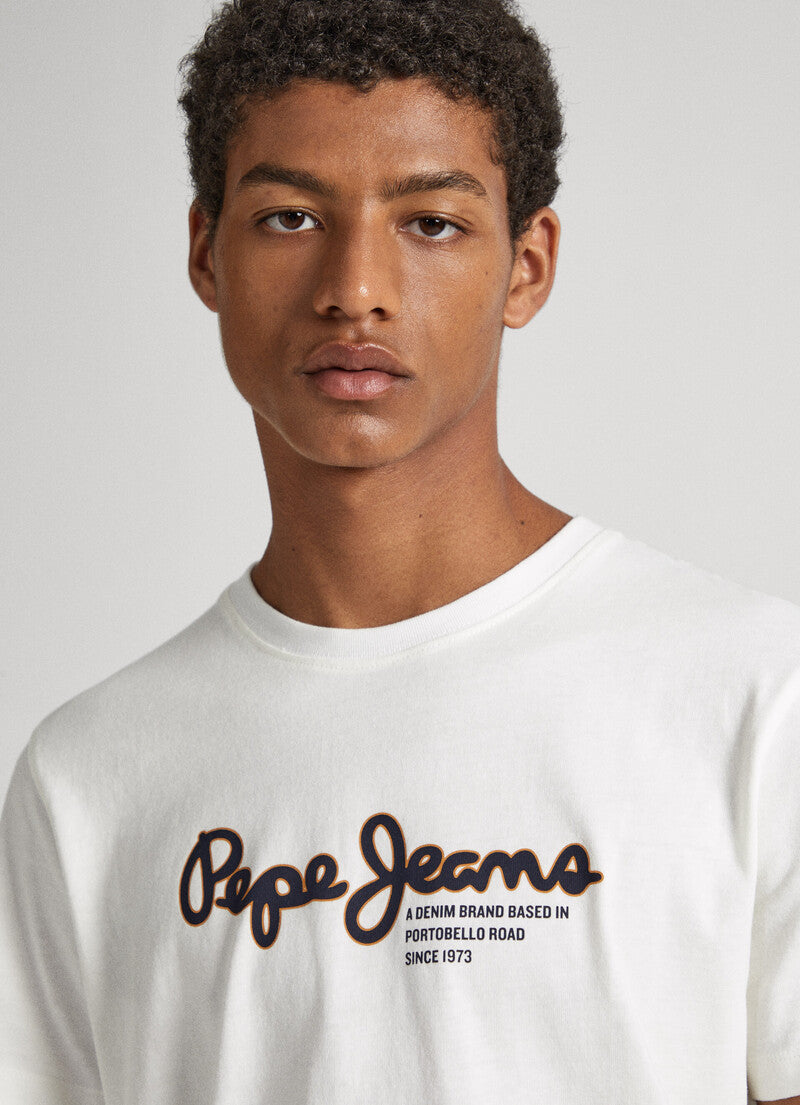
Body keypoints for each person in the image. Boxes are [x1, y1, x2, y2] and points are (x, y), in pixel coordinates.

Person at [1, 0, 798, 1101]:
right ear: (205, 252)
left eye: (430, 222)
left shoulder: (754, 694)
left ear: (526, 266)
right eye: (289, 217)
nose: (354, 289)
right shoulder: (89, 776)